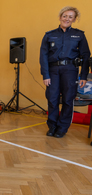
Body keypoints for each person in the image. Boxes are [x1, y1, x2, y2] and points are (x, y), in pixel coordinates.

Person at [40, 6, 91, 138]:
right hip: (53, 71)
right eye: (65, 16)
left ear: (74, 19)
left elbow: (86, 56)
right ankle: (52, 126)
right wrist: (45, 74)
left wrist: (83, 75)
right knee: (52, 99)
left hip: (70, 70)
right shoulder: (49, 35)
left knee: (68, 100)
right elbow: (43, 56)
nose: (67, 19)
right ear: (60, 17)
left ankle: (62, 128)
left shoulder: (79, 35)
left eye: (70, 17)